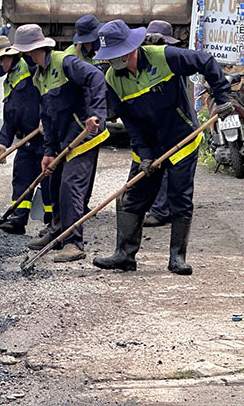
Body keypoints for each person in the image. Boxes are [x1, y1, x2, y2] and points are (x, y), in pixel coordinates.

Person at [92, 20, 232, 276]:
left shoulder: (165, 57)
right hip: (148, 146)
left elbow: (206, 61)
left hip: (181, 140)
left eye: (114, 56)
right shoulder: (112, 79)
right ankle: (124, 255)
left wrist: (222, 97)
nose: (111, 62)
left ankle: (177, 257)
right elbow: (131, 124)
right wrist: (144, 156)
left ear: (129, 50)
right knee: (132, 199)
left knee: (179, 198)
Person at [13, 24, 109, 263]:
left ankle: (73, 242)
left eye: (26, 53)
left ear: (34, 50)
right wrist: (48, 152)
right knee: (54, 183)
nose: (26, 58)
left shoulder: (65, 62)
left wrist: (96, 114)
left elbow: (96, 77)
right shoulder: (39, 76)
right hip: (63, 139)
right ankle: (57, 231)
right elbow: (47, 117)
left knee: (70, 187)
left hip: (84, 135)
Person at [0, 36, 47, 235]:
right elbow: (11, 115)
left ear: (7, 58)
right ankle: (18, 219)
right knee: (22, 176)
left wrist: (47, 119)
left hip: (45, 136)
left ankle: (53, 224)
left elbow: (49, 95)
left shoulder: (32, 68)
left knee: (48, 181)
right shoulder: (9, 80)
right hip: (27, 138)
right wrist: (2, 143)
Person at [141, 20, 181, 228]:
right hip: (153, 125)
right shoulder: (146, 62)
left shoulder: (170, 61)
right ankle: (154, 206)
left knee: (169, 166)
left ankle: (161, 210)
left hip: (172, 124)